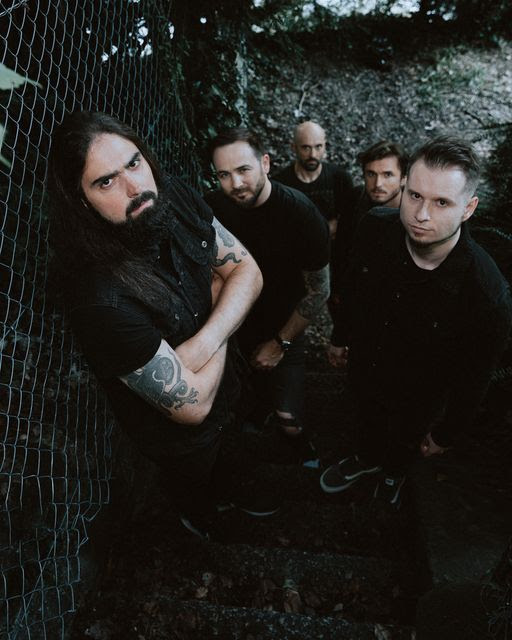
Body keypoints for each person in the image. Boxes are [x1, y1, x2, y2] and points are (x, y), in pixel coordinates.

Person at [46, 111, 267, 539]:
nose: (134, 187)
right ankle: (198, 520)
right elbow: (192, 407)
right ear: (81, 200)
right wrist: (220, 299)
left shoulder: (171, 195)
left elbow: (250, 273)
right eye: (106, 182)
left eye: (133, 163)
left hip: (231, 388)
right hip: (182, 444)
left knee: (236, 458)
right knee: (196, 491)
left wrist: (204, 341)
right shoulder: (99, 301)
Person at [321, 135, 512, 507]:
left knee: (404, 440)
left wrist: (446, 434)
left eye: (442, 202)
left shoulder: (487, 297)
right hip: (366, 366)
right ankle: (365, 458)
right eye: (415, 196)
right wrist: (340, 336)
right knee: (365, 419)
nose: (421, 215)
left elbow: (475, 378)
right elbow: (354, 287)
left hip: (420, 396)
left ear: (468, 208)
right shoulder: (375, 227)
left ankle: (393, 473)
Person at [205, 127, 330, 465]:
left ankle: (300, 446)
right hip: (234, 323)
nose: (236, 183)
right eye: (224, 175)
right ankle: (257, 415)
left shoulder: (301, 215)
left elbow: (319, 291)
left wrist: (280, 343)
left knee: (289, 417)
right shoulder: (213, 208)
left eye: (243, 170)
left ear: (265, 163)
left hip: (284, 325)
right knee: (242, 399)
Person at [330, 139, 409, 349]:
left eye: (387, 175)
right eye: (371, 174)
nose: (378, 184)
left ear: (404, 178)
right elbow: (342, 249)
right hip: (357, 300)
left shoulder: (415, 212)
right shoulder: (356, 199)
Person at [273, 121, 353, 240]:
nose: (313, 155)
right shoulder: (280, 184)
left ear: (325, 146)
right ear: (293, 147)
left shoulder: (340, 178)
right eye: (306, 148)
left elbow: (350, 221)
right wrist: (325, 229)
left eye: (318, 146)